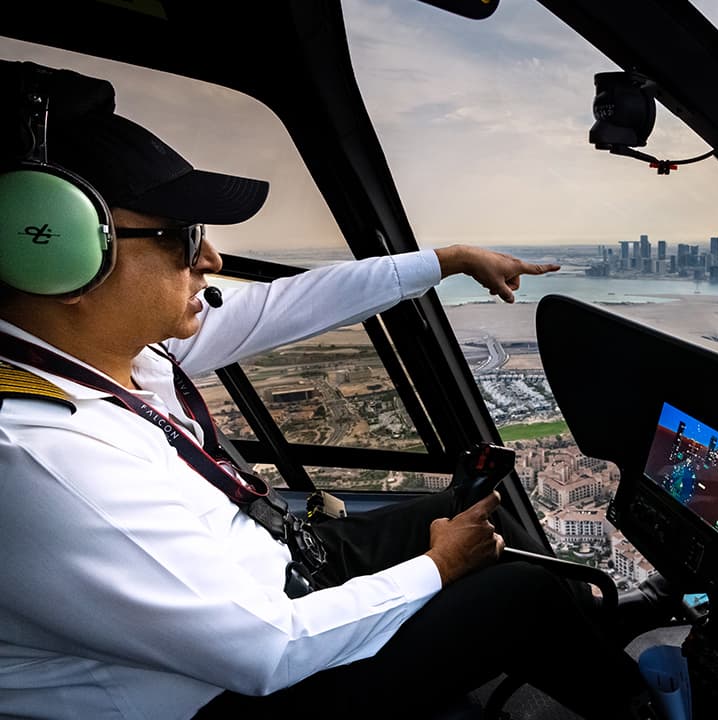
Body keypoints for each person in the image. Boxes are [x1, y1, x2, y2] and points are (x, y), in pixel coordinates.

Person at [0, 60, 661, 719]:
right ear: (55, 254)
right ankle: (642, 707)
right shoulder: (38, 455)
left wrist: (448, 259)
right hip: (225, 693)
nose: (211, 260)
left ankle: (594, 658)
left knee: (484, 510)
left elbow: (292, 303)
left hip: (273, 566)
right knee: (519, 594)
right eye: (181, 236)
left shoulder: (120, 350)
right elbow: (263, 651)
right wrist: (438, 568)